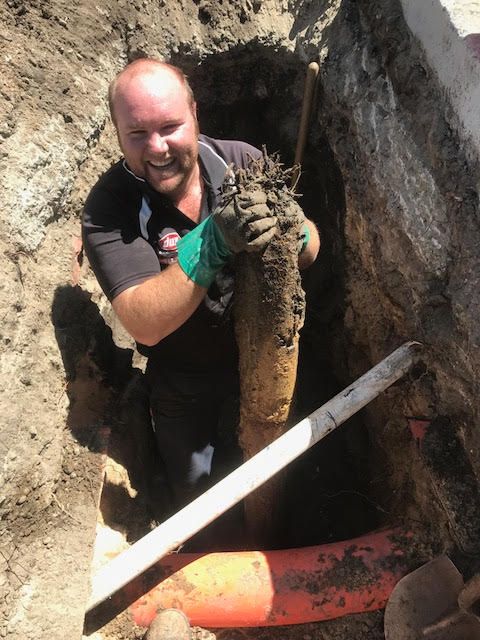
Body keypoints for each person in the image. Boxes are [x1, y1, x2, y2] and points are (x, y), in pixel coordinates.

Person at [82, 57, 320, 533]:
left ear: (194, 113)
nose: (157, 147)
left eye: (170, 126)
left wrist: (294, 235)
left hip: (257, 364)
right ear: (117, 133)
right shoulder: (109, 208)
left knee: (271, 478)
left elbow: (312, 247)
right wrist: (212, 241)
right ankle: (212, 555)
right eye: (137, 134)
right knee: (196, 499)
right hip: (182, 384)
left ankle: (269, 541)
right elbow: (144, 320)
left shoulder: (242, 162)